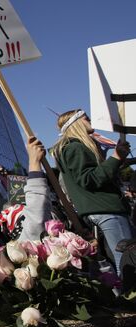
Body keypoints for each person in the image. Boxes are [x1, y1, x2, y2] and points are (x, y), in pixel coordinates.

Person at [52, 110, 132, 275]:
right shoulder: (75, 147)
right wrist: (116, 157)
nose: (90, 119)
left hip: (102, 210)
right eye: (85, 118)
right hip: (106, 210)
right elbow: (89, 179)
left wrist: (117, 161)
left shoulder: (72, 148)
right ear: (76, 123)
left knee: (120, 261)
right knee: (128, 261)